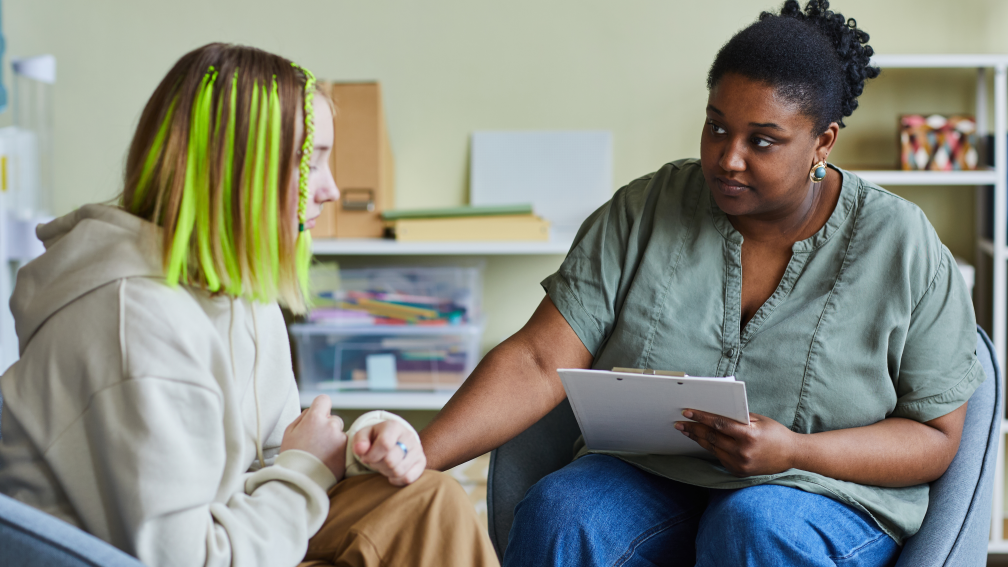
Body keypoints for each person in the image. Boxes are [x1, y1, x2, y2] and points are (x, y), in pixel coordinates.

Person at [420, 1, 982, 566]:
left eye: (762, 141)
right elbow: (538, 359)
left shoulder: (901, 243)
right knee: (564, 512)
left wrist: (796, 451)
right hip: (653, 474)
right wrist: (414, 458)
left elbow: (935, 437)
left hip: (822, 491)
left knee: (752, 525)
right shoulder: (645, 210)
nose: (728, 158)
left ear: (822, 142)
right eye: (716, 127)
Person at [0, 43, 497, 567]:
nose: (330, 190)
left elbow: (271, 456)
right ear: (242, 170)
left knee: (431, 500)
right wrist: (308, 466)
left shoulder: (239, 295)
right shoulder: (133, 323)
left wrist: (359, 448)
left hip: (235, 532)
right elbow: (192, 557)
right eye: (314, 161)